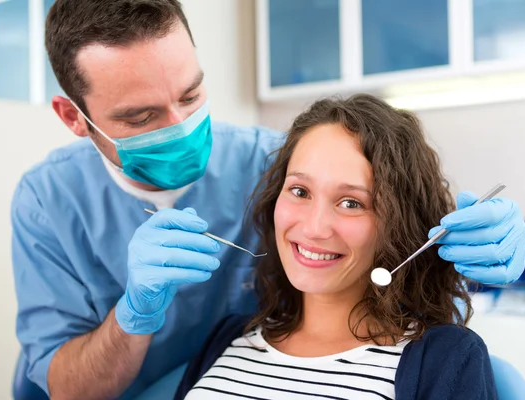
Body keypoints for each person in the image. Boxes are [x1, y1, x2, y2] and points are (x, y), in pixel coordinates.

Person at [11, 1, 525, 399]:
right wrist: (134, 314)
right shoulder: (47, 203)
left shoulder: (269, 160)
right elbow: (69, 387)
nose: (181, 127)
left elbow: (395, 230)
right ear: (74, 117)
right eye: (141, 118)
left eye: (190, 97)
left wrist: (474, 243)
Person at [175, 94, 498, 400]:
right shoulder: (228, 336)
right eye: (300, 191)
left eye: (351, 202)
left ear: (399, 223)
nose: (314, 228)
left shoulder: (444, 357)